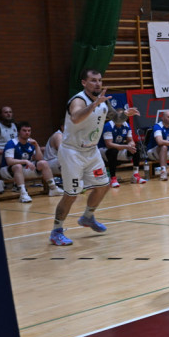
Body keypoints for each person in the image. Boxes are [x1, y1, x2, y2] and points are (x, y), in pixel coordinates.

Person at [51, 68, 139, 246]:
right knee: (71, 194)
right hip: (72, 152)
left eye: (99, 80)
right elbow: (75, 118)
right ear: (84, 83)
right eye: (93, 80)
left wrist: (126, 114)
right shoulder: (78, 100)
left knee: (103, 186)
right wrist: (93, 105)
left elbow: (118, 119)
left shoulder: (103, 102)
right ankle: (56, 231)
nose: (98, 83)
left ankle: (88, 217)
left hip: (91, 151)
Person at [0, 122, 64, 203]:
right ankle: (23, 193)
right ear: (18, 132)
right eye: (24, 130)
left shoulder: (31, 143)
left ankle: (53, 188)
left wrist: (36, 146)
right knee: (18, 166)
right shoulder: (11, 143)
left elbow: (40, 158)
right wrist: (26, 161)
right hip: (6, 170)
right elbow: (9, 161)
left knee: (43, 163)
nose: (27, 133)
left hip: (23, 168)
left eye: (29, 131)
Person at [102, 111, 146, 186]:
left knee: (136, 149)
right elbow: (109, 144)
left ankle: (135, 175)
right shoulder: (108, 125)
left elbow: (130, 140)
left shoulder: (126, 125)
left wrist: (131, 144)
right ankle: (113, 178)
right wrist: (126, 146)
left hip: (119, 149)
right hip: (104, 150)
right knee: (113, 151)